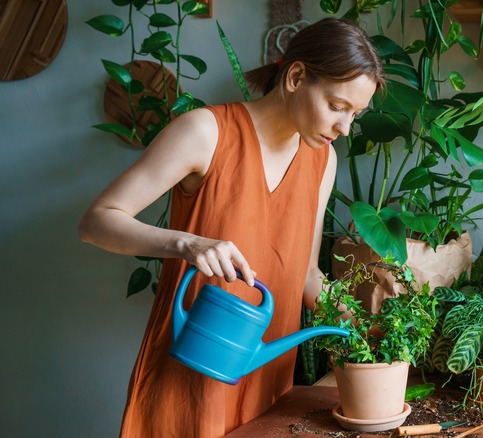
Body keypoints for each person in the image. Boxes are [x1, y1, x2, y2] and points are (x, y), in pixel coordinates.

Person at [79, 17, 384, 437]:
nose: (344, 128)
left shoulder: (322, 161)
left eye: (355, 114)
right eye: (337, 106)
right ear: (296, 76)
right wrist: (188, 244)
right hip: (191, 376)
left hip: (268, 381)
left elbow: (307, 275)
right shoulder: (205, 132)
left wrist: (368, 325)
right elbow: (97, 221)